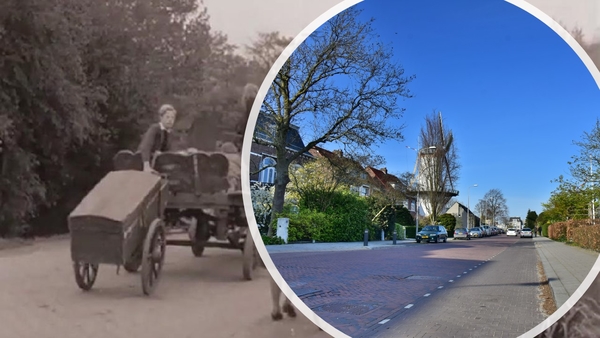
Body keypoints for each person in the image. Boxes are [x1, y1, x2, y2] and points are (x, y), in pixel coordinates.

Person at [138, 104, 177, 172]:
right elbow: (146, 146)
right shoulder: (155, 129)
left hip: (158, 165)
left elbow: (173, 149)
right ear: (161, 117)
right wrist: (146, 165)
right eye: (167, 117)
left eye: (172, 118)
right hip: (144, 163)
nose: (170, 120)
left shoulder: (171, 133)